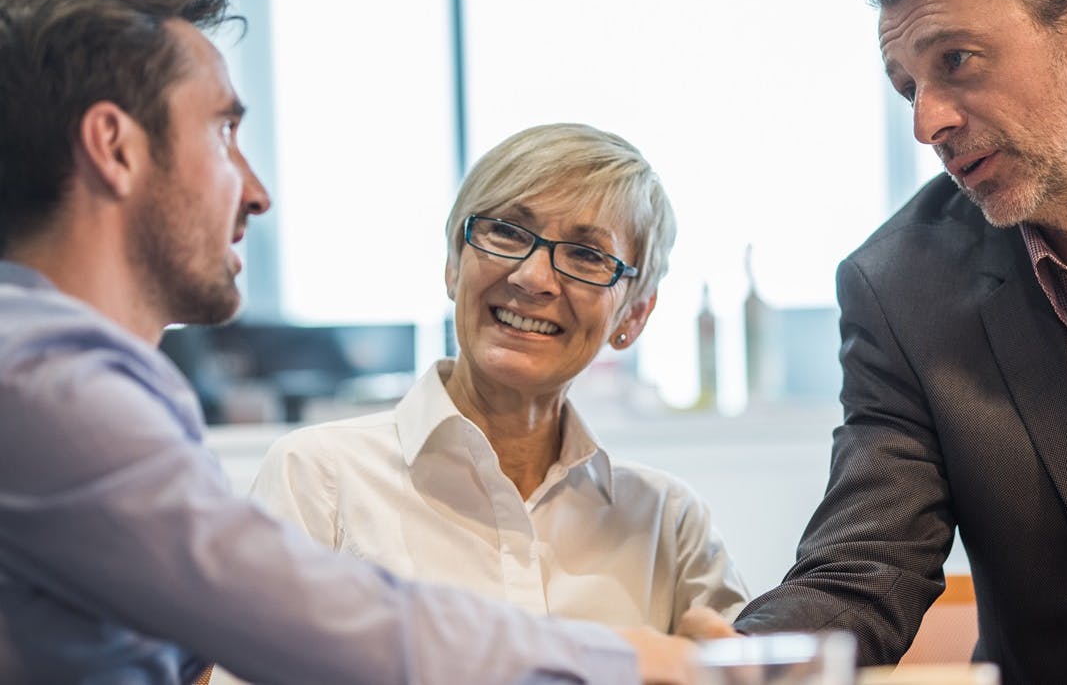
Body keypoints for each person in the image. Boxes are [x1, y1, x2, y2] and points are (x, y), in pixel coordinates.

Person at [0, 0, 703, 682]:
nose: (256, 191)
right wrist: (625, 659)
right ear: (114, 147)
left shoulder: (79, 384)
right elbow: (296, 618)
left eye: (584, 255)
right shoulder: (44, 387)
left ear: (635, 312)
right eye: (223, 134)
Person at [726, 0, 1067, 684]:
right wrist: (735, 665)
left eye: (957, 59)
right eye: (908, 88)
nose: (927, 123)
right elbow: (864, 567)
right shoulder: (902, 290)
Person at [247, 123, 748, 633]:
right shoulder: (319, 477)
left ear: (634, 315)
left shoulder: (670, 523)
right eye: (506, 231)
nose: (532, 277)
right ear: (452, 264)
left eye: (587, 255)